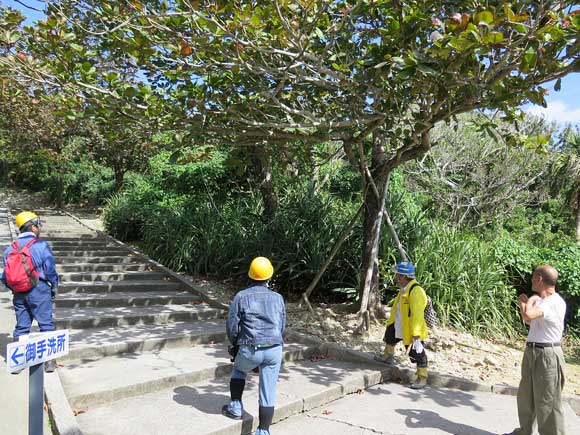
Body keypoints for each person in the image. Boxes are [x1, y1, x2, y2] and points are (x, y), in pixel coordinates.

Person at [222, 256, 286, 435]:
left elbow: (232, 327)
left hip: (250, 349)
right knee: (268, 389)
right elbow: (282, 325)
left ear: (250, 275)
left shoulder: (241, 296)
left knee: (239, 369)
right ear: (269, 276)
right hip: (274, 349)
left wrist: (236, 345)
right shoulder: (278, 298)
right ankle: (263, 430)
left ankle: (235, 407)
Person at [504, 265, 567, 435]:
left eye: (533, 277)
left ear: (539, 279)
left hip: (547, 355)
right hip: (533, 351)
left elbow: (529, 315)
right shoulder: (542, 302)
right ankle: (524, 432)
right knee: (527, 397)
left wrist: (529, 301)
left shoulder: (554, 302)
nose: (531, 280)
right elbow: (530, 321)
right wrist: (524, 305)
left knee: (548, 403)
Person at [1, 211, 59, 373]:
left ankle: (18, 363)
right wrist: (54, 287)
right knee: (46, 324)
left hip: (19, 293)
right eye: (38, 225)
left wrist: (16, 288)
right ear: (33, 227)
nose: (39, 228)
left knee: (22, 327)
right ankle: (49, 362)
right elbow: (50, 270)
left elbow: (4, 276)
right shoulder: (40, 245)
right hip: (39, 289)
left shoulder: (9, 250)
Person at [374, 261, 429, 389]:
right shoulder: (405, 288)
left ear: (403, 277)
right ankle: (387, 356)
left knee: (416, 353)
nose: (396, 277)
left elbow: (417, 314)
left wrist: (416, 333)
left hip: (410, 328)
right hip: (398, 322)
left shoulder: (416, 291)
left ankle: (422, 377)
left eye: (398, 275)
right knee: (390, 337)